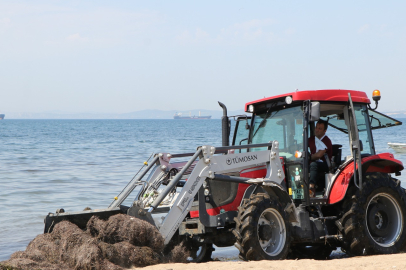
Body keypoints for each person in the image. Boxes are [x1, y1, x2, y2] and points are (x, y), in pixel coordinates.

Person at [308, 119, 332, 197]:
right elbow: (303, 145)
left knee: (314, 165)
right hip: (313, 162)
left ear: (325, 131)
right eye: (316, 127)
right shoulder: (311, 139)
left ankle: (311, 190)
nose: (317, 130)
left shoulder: (327, 141)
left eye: (320, 128)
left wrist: (309, 158)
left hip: (325, 164)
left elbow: (319, 155)